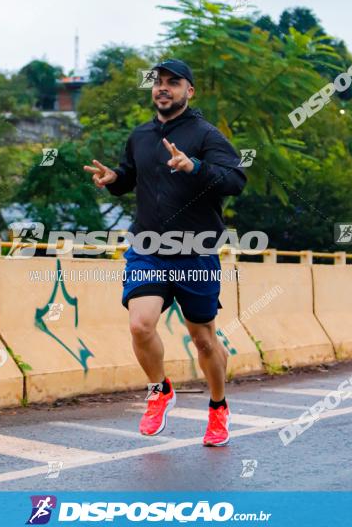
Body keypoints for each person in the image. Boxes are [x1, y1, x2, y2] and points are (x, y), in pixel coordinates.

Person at [84, 59, 247, 446]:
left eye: (174, 82)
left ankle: (218, 407)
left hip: (195, 250)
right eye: (158, 82)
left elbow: (236, 179)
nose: (163, 88)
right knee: (140, 324)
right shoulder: (140, 136)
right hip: (149, 247)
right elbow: (131, 176)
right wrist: (115, 180)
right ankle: (159, 390)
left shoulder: (206, 135)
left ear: (189, 91)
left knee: (204, 340)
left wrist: (195, 166)